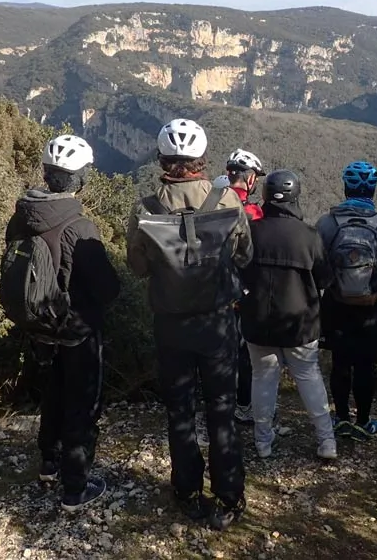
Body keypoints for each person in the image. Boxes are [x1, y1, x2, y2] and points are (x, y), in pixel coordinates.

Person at [125, 118, 253, 531]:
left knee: (179, 410)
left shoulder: (144, 208)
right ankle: (229, 496)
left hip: (170, 325)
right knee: (221, 409)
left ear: (161, 158)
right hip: (217, 324)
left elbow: (138, 267)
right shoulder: (228, 201)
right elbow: (244, 256)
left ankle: (186, 491)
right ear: (202, 160)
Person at [4, 134, 121, 512]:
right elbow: (106, 287)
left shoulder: (21, 217)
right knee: (80, 405)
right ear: (81, 178)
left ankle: (49, 463)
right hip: (76, 331)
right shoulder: (78, 227)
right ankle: (76, 486)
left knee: (51, 393)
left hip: (39, 327)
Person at [239, 169, 337, 460]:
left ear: (266, 196)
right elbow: (324, 280)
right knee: (309, 377)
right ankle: (326, 441)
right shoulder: (309, 236)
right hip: (300, 324)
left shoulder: (252, 232)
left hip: (258, 322)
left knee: (263, 379)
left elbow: (238, 271)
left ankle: (263, 442)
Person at [316, 161, 377, 441]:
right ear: (374, 190)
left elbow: (316, 269)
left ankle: (341, 418)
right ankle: (364, 422)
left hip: (336, 306)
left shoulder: (327, 224)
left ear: (346, 187)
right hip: (370, 310)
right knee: (366, 366)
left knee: (340, 363)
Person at [223, 148, 266, 426]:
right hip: (242, 289)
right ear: (249, 179)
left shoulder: (211, 201)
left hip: (211, 287)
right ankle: (243, 405)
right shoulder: (252, 211)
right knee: (244, 352)